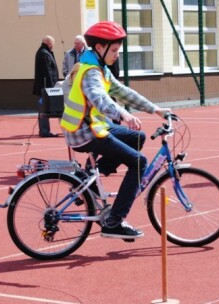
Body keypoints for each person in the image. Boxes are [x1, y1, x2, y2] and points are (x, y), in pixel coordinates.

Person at [60, 21, 171, 239]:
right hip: (83, 133)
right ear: (99, 48)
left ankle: (88, 181)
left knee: (137, 138)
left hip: (91, 126)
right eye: (114, 50)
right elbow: (100, 99)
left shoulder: (99, 69)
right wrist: (123, 115)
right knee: (139, 162)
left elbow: (122, 92)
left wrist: (155, 110)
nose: (117, 55)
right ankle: (114, 222)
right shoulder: (91, 72)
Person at [33, 35, 60, 137]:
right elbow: (48, 72)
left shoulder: (42, 52)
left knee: (43, 109)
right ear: (49, 43)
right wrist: (52, 87)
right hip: (45, 88)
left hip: (43, 87)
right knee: (44, 109)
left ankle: (44, 130)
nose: (53, 46)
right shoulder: (44, 54)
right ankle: (44, 131)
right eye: (52, 44)